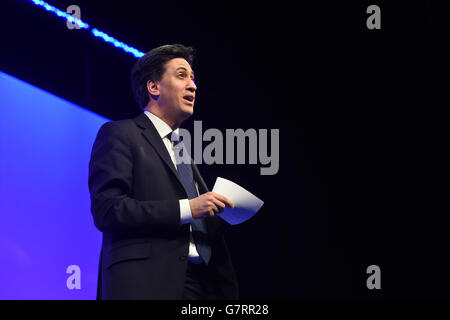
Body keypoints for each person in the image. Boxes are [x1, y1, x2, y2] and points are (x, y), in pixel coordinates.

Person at [88, 44, 239, 300]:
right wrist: (188, 208)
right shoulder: (120, 133)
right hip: (147, 284)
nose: (193, 86)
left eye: (193, 78)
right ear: (153, 87)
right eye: (182, 75)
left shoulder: (183, 151)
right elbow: (108, 210)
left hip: (203, 287)